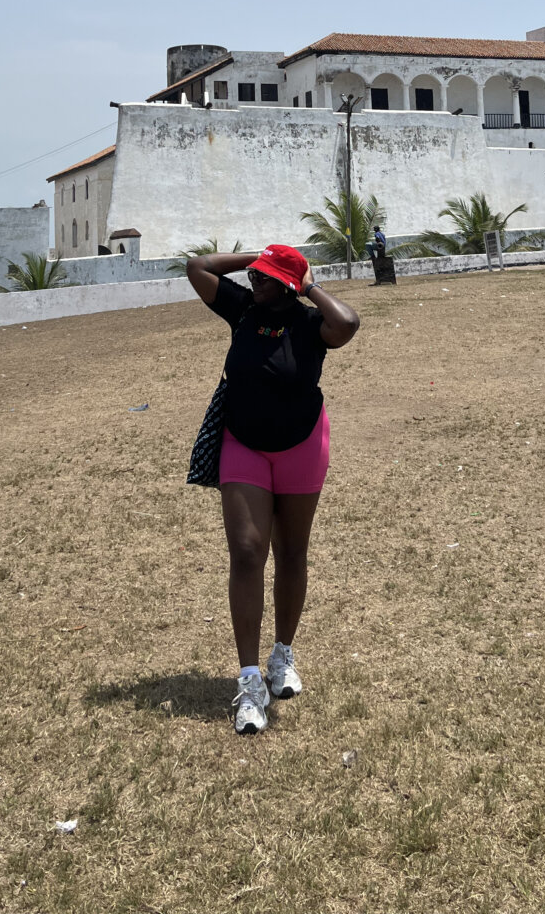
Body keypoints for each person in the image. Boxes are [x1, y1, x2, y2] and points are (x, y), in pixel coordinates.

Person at [185, 244, 360, 735]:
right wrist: (253, 260)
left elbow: (347, 324)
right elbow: (196, 267)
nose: (257, 283)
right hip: (243, 445)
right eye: (256, 277)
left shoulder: (309, 324)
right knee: (245, 551)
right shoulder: (242, 308)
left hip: (302, 444)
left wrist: (306, 284)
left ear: (288, 286)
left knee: (291, 551)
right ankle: (249, 681)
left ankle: (282, 655)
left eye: (267, 278)